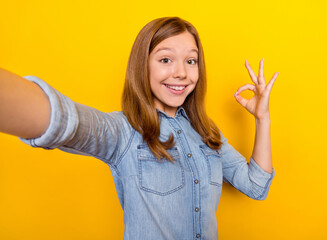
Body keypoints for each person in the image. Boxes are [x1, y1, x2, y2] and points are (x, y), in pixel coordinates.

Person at [0, 17, 278, 240]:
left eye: (190, 60)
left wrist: (262, 119)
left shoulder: (206, 132)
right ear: (142, 66)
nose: (181, 72)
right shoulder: (124, 131)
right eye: (165, 59)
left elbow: (255, 185)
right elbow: (65, 120)